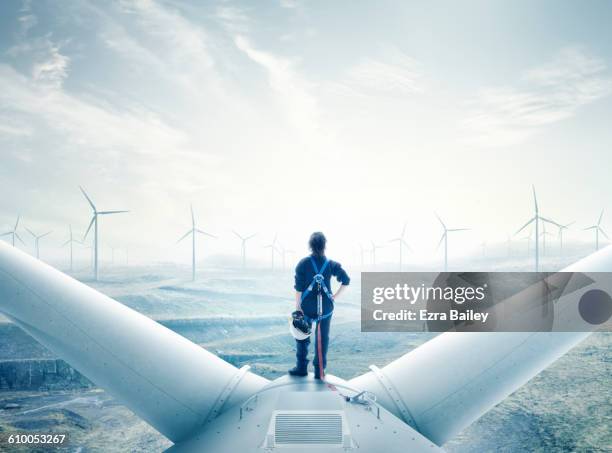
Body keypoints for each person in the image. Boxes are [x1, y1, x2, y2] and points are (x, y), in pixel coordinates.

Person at [289, 232, 350, 379]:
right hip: (326, 308)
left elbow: (298, 288)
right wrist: (334, 297)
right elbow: (346, 280)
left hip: (307, 307)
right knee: (322, 338)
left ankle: (302, 368)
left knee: (302, 336)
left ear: (310, 245)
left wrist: (298, 307)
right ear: (324, 245)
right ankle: (319, 371)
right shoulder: (331, 264)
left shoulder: (303, 264)